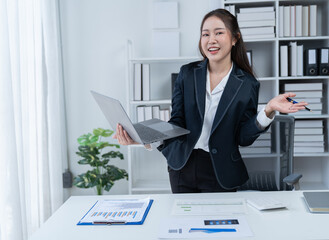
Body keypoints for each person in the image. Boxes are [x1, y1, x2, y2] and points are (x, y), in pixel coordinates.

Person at [114, 8, 307, 193]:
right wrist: (144, 139)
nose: (211, 40)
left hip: (221, 171)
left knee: (222, 225)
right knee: (184, 224)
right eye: (205, 34)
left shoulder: (247, 84)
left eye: (219, 33)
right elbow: (177, 123)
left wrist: (268, 110)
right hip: (182, 166)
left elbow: (243, 138)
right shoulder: (187, 74)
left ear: (234, 38)